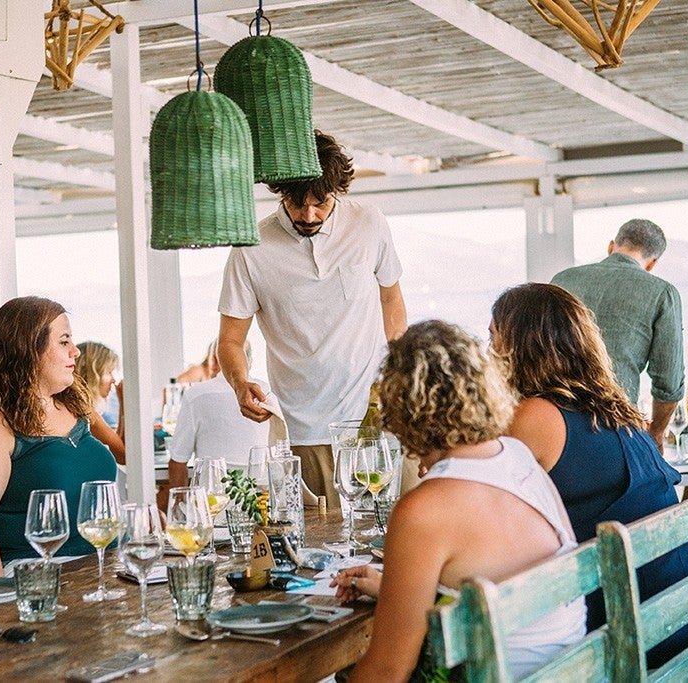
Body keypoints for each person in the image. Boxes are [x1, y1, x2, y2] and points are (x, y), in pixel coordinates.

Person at [330, 320, 585, 681]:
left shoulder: (424, 509)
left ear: (403, 409)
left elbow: (389, 671)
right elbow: (489, 575)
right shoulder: (517, 457)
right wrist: (393, 590)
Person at [490, 282, 688, 668]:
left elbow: (478, 522)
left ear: (520, 346)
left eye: (493, 339)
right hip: (682, 623)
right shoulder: (619, 411)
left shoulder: (534, 417)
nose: (487, 354)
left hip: (631, 644)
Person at [217, 130, 407, 505]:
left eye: (320, 202)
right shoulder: (250, 247)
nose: (309, 214)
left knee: (379, 535)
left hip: (372, 415)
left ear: (337, 188)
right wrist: (240, 383)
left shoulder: (369, 224)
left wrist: (398, 371)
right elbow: (230, 341)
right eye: (296, 202)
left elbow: (391, 300)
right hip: (300, 427)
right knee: (319, 541)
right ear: (279, 191)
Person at [0, 297, 117, 576]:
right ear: (28, 349)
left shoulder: (73, 405)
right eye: (64, 342)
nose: (75, 352)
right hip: (39, 575)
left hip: (104, 567)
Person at [550, 218, 683, 452]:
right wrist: (656, 434)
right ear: (652, 264)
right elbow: (668, 381)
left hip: (552, 420)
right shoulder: (662, 293)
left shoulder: (561, 280)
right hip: (613, 424)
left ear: (611, 247)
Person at [168, 342, 270, 487]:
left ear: (215, 360)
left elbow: (178, 461)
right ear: (249, 363)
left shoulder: (196, 395)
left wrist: (179, 504)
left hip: (212, 501)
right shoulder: (267, 392)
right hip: (260, 500)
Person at [74, 341, 126, 455]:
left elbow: (116, 441)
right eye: (109, 372)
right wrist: (124, 402)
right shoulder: (85, 412)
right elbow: (122, 455)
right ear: (92, 374)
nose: (113, 380)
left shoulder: (75, 405)